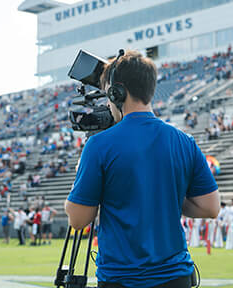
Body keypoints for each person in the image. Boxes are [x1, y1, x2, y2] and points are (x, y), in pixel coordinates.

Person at [65, 50, 219, 288]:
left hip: (121, 279)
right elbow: (210, 207)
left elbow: (78, 219)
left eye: (107, 94)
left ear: (116, 93)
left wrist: (81, 174)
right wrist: (162, 196)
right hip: (177, 277)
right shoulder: (185, 141)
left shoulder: (99, 145)